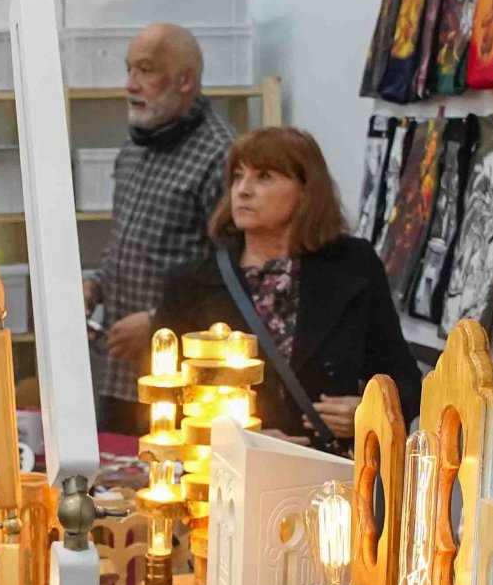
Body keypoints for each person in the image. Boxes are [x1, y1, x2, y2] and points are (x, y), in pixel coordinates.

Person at [156, 126, 419, 444]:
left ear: (306, 190)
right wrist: (242, 440)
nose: (243, 190)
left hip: (329, 476)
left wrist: (375, 411)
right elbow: (166, 400)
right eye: (238, 177)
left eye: (264, 176)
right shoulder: (192, 282)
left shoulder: (354, 265)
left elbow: (403, 379)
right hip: (231, 478)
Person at [91, 24, 239, 435]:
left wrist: (160, 323)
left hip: (179, 380)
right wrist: (95, 287)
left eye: (145, 70)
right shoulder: (134, 148)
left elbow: (234, 280)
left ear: (185, 80)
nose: (130, 85)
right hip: (119, 374)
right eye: (129, 70)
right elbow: (124, 244)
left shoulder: (221, 156)